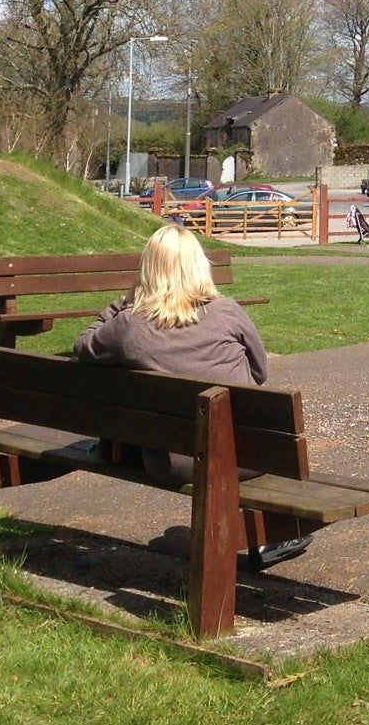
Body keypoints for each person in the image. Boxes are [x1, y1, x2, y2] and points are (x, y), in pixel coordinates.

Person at [73, 225, 310, 566]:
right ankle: (262, 534)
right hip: (249, 457)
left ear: (147, 271)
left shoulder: (130, 326)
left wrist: (122, 303)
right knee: (224, 429)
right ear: (200, 266)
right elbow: (260, 373)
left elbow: (84, 346)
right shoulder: (228, 311)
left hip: (172, 463)